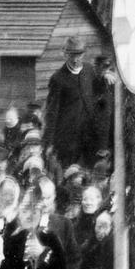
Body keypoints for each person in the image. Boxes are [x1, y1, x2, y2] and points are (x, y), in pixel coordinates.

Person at [43, 37, 106, 172]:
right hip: (68, 138)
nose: (75, 59)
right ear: (65, 54)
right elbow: (51, 112)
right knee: (68, 172)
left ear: (84, 53)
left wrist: (106, 76)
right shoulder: (58, 79)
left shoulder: (89, 70)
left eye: (79, 55)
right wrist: (49, 141)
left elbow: (98, 94)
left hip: (89, 135)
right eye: (71, 55)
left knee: (90, 171)